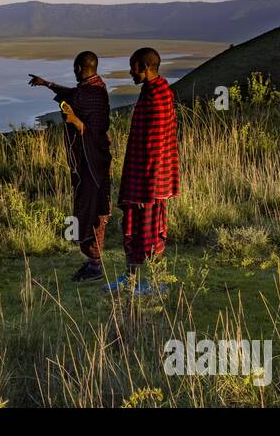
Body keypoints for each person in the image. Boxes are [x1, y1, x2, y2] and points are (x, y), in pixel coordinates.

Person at [28, 51, 112, 281]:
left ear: (79, 68)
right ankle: (92, 261)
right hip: (84, 164)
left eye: (75, 68)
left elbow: (98, 129)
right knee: (84, 209)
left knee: (92, 210)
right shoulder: (91, 88)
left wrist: (75, 120)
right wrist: (47, 84)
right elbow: (73, 94)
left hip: (93, 163)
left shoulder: (95, 93)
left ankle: (95, 265)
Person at [107, 47, 179, 295]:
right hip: (140, 178)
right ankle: (130, 279)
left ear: (145, 66)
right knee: (135, 230)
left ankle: (157, 283)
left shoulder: (158, 97)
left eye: (133, 67)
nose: (130, 73)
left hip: (149, 183)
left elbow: (157, 149)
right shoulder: (151, 92)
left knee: (148, 232)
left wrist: (144, 192)